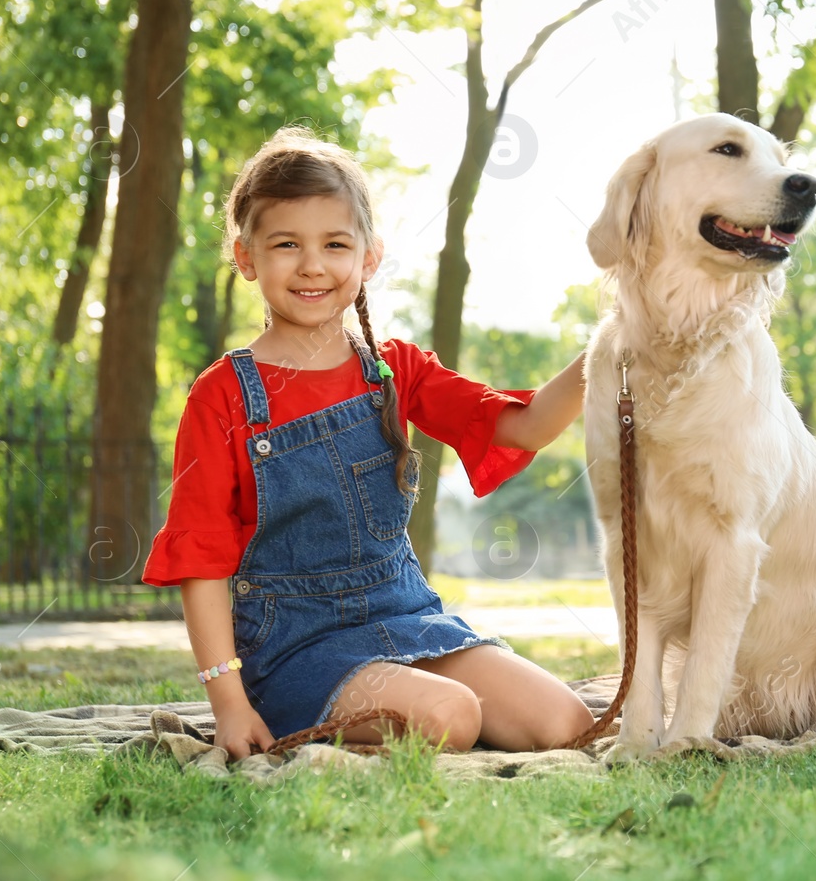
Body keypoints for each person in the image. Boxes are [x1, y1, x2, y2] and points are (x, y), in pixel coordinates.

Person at [141, 126, 594, 760]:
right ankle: (346, 709)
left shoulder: (395, 369)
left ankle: (403, 695)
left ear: (368, 257)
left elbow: (525, 424)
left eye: (334, 244)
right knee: (450, 716)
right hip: (295, 646)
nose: (312, 265)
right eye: (285, 244)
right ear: (246, 258)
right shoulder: (222, 395)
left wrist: (609, 348)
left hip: (405, 613)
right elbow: (202, 558)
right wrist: (230, 702)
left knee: (565, 722)